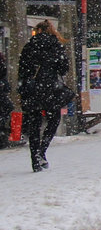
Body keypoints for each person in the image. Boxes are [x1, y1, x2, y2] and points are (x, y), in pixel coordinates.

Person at [17, 20, 71, 172]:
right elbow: (64, 68)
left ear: (37, 30)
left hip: (32, 89)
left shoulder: (29, 46)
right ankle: (42, 150)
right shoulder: (56, 45)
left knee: (34, 123)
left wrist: (22, 90)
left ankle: (35, 159)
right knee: (54, 119)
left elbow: (22, 70)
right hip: (50, 89)